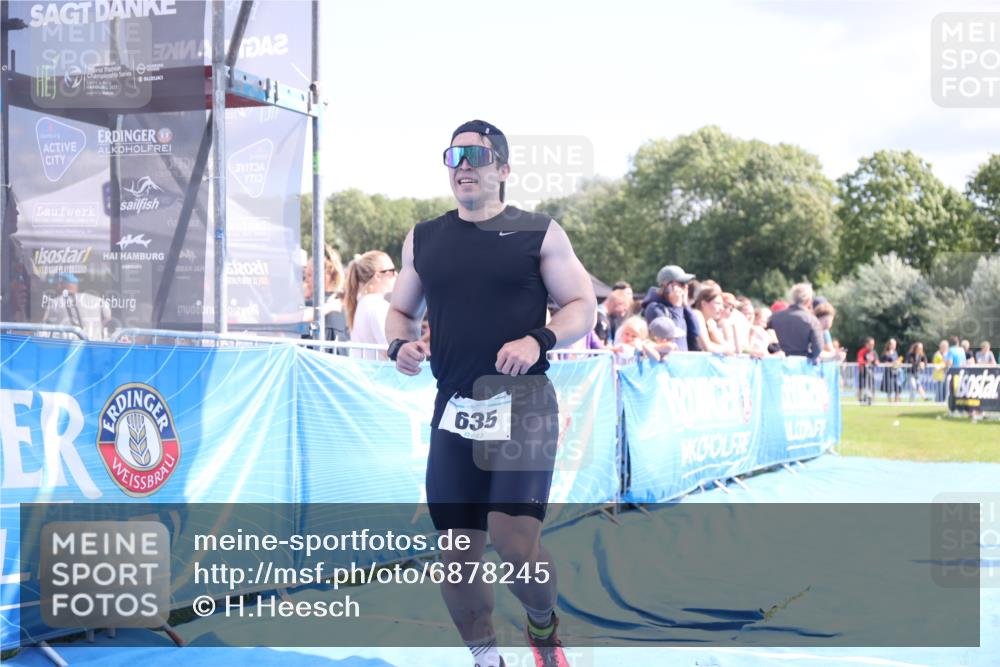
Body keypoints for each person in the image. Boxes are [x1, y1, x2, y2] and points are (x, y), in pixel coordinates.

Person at [386, 120, 595, 667]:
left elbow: (581, 306)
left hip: (522, 404)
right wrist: (398, 345)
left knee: (514, 544)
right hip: (455, 409)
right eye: (454, 155)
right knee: (456, 559)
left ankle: (543, 630)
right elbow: (400, 311)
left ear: (503, 169)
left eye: (478, 155)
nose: (464, 164)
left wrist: (538, 338)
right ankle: (486, 658)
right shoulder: (423, 238)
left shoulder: (539, 232)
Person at [344, 250, 396, 359]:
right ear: (377, 276)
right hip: (380, 374)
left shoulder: (362, 303)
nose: (396, 274)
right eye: (392, 271)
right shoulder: (376, 305)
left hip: (367, 373)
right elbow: (391, 350)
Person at [640, 265, 702, 351]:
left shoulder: (680, 308)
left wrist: (685, 305)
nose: (685, 287)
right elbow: (672, 334)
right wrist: (677, 305)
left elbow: (695, 332)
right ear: (667, 285)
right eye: (681, 283)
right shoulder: (654, 308)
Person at [42, 272, 111, 340]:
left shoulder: (55, 302)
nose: (54, 288)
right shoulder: (98, 300)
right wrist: (95, 330)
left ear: (60, 285)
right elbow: (107, 317)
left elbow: (44, 324)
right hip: (94, 344)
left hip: (67, 346)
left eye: (54, 285)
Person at [768, 283, 824, 361]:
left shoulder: (774, 317)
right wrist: (810, 357)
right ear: (808, 301)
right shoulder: (812, 320)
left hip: (776, 364)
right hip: (801, 366)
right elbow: (817, 349)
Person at [690, 285, 735, 354]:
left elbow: (727, 346)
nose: (721, 308)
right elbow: (707, 347)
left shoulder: (710, 321)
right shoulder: (697, 314)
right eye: (718, 303)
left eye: (722, 305)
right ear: (703, 303)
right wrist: (726, 350)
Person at [857, 337, 878, 404]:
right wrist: (866, 362)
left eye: (873, 344)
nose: (872, 346)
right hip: (863, 372)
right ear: (866, 344)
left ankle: (872, 399)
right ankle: (860, 399)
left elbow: (877, 361)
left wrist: (875, 362)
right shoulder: (862, 351)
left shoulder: (874, 352)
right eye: (871, 344)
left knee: (872, 385)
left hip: (871, 372)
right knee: (861, 386)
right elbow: (860, 360)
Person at [879, 338, 902, 403]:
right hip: (888, 373)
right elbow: (883, 362)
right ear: (889, 345)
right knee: (889, 388)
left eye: (895, 344)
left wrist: (898, 363)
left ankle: (896, 401)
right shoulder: (885, 353)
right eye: (893, 344)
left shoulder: (895, 353)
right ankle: (890, 402)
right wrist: (892, 364)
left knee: (897, 387)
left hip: (896, 373)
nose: (894, 346)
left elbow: (897, 361)